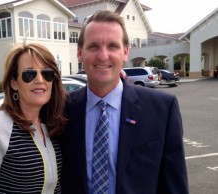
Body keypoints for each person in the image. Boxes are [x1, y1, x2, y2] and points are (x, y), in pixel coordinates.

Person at [60, 10, 189, 194]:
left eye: (112, 46)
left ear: (125, 52)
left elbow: (174, 185)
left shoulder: (162, 109)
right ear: (80, 53)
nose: (103, 56)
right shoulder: (62, 109)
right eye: (94, 46)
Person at [0, 43, 66, 193]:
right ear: (14, 82)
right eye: (29, 74)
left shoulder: (52, 125)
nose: (40, 80)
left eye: (47, 73)